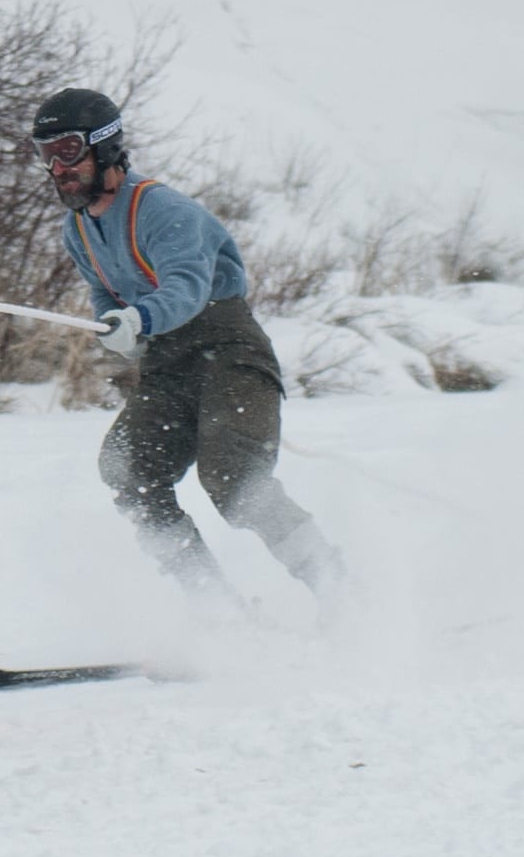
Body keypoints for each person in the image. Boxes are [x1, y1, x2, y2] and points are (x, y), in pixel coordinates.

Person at [34, 87, 345, 614]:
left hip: (228, 350)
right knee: (126, 469)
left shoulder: (162, 209)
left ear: (104, 145)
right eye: (44, 154)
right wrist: (118, 327)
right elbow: (104, 293)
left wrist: (141, 317)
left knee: (233, 481)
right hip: (167, 363)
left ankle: (340, 589)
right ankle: (215, 606)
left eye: (66, 150)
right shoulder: (77, 229)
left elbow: (186, 288)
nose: (56, 167)